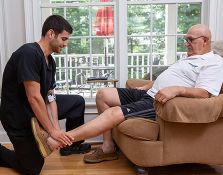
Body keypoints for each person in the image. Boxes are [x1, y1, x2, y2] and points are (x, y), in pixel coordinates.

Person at [31, 24, 223, 163]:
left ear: (205, 41)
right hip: (148, 93)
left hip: (159, 103)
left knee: (113, 113)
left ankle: (58, 141)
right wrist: (148, 85)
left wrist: (177, 89)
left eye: (190, 39)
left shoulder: (213, 62)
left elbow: (205, 93)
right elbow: (173, 77)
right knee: (103, 94)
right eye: (185, 39)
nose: (186, 43)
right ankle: (108, 148)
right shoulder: (189, 59)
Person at [0, 15, 90, 175]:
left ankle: (70, 146)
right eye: (63, 38)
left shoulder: (50, 61)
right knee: (32, 168)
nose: (65, 44)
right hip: (18, 115)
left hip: (34, 108)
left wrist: (57, 132)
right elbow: (34, 97)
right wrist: (51, 132)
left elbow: (50, 98)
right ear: (50, 33)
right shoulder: (29, 53)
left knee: (77, 102)